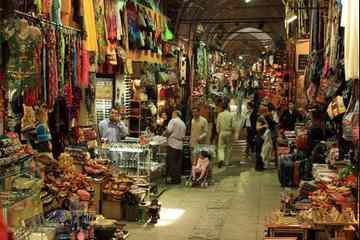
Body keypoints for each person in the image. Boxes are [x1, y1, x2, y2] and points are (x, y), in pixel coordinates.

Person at [163, 110, 186, 184]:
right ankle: (177, 179)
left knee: (172, 162)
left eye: (173, 113)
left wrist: (164, 134)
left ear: (175, 114)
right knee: (178, 163)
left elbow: (168, 131)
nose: (172, 115)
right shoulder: (183, 123)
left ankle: (174, 180)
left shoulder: (173, 120)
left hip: (173, 143)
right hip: (180, 144)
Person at [216, 101, 234, 168]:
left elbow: (217, 125)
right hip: (229, 132)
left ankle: (221, 159)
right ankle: (227, 162)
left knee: (221, 147)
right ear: (227, 107)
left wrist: (218, 132)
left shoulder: (220, 115)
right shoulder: (231, 115)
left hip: (222, 132)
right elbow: (233, 125)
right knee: (229, 148)